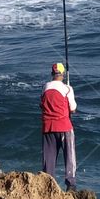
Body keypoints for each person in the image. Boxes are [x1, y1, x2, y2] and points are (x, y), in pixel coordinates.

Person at [41, 61, 77, 191]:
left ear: (52, 74)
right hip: (64, 127)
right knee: (69, 156)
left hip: (47, 127)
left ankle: (47, 184)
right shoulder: (67, 88)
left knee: (48, 158)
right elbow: (73, 108)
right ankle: (70, 184)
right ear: (62, 74)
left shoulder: (45, 87)